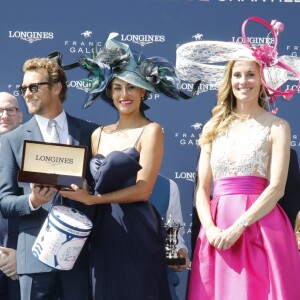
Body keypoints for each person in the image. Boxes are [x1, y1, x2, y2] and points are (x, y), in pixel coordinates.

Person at [59, 32, 199, 300]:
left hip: (138, 230)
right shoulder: (98, 134)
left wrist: (93, 199)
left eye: (131, 87)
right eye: (117, 87)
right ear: (109, 92)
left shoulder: (151, 130)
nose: (124, 94)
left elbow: (142, 190)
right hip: (103, 232)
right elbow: (92, 183)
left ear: (143, 90)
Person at [176, 17, 300, 300]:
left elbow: (277, 188)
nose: (243, 81)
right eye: (237, 75)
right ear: (229, 80)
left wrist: (239, 227)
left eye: (250, 74)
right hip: (217, 230)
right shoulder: (212, 126)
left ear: (262, 79)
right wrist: (210, 229)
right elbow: (202, 190)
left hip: (261, 227)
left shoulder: (278, 127)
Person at [0, 57, 98, 300]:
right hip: (33, 256)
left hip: (79, 257)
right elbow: (5, 202)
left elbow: (102, 192)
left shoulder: (90, 132)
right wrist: (32, 200)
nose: (27, 94)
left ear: (57, 88)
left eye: (34, 87)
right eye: (24, 89)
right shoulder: (12, 140)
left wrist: (88, 191)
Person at [149, 174, 189, 300]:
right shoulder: (108, 183)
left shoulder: (168, 186)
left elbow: (173, 231)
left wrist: (178, 252)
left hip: (159, 282)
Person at [0, 92, 23, 299]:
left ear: (21, 116)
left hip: (26, 263)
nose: (5, 115)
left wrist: (22, 257)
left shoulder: (37, 155)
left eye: (10, 110)